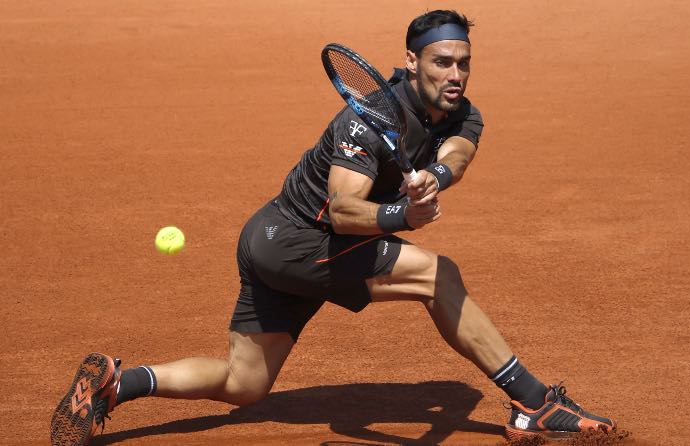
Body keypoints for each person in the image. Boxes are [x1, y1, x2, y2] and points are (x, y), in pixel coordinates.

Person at [51, 10, 615, 446]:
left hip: (281, 243)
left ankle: (116, 384)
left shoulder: (463, 111)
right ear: (413, 60)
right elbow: (345, 211)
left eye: (464, 62)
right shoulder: (364, 121)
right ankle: (534, 402)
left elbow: (461, 153)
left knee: (244, 385)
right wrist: (402, 215)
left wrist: (434, 178)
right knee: (437, 275)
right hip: (294, 242)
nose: (456, 74)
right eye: (443, 61)